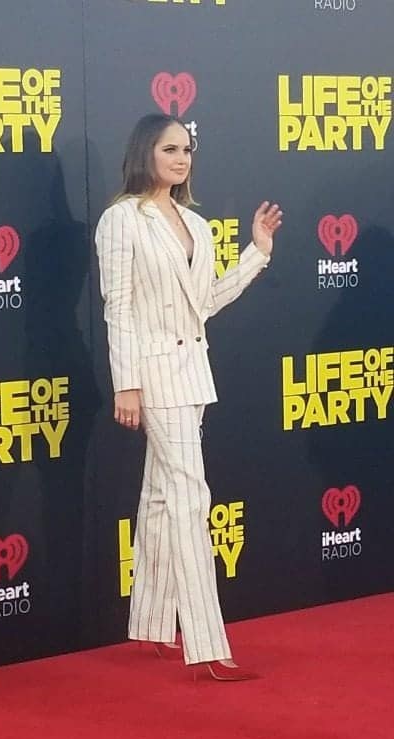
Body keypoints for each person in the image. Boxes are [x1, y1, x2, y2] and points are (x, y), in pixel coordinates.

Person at [95, 113, 282, 681]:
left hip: (192, 375)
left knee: (159, 496)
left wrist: (257, 252)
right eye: (170, 148)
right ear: (144, 153)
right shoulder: (121, 219)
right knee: (189, 498)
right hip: (152, 376)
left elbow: (204, 306)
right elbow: (118, 306)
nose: (182, 158)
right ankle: (208, 644)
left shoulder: (197, 226)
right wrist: (126, 382)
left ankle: (152, 623)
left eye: (188, 149)